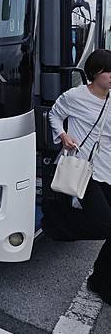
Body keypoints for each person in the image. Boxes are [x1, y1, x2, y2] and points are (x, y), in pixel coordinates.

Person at [43, 49, 111, 304]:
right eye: (109, 71)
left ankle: (101, 280)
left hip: (108, 168)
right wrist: (63, 136)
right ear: (95, 73)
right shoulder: (75, 96)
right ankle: (57, 221)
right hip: (85, 167)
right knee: (105, 224)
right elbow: (55, 115)